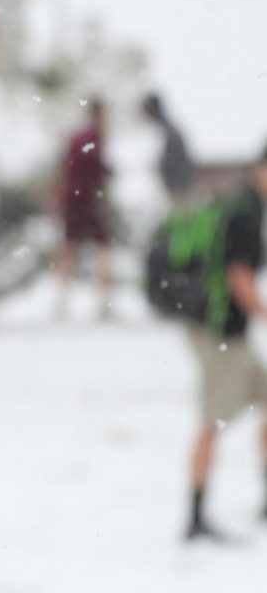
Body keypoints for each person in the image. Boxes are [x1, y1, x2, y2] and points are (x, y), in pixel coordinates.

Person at [185, 143, 267, 541]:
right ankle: (195, 518)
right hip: (216, 332)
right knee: (212, 421)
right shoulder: (245, 214)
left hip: (229, 332)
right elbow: (240, 281)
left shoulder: (243, 205)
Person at [51, 98, 113, 319]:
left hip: (73, 199)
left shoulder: (77, 137)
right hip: (88, 200)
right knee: (103, 247)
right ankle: (103, 300)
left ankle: (60, 297)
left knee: (69, 246)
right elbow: (97, 168)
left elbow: (65, 166)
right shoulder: (93, 137)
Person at [142, 93, 196, 204]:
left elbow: (172, 161)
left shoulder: (165, 132)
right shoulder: (166, 129)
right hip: (176, 183)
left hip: (177, 184)